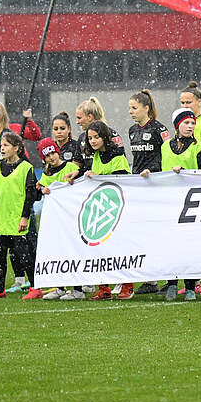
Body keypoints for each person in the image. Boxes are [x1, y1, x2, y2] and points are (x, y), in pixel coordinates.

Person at [137, 109, 201, 300]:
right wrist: (148, 171)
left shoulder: (199, 148)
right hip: (169, 203)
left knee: (188, 246)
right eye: (186, 123)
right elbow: (158, 165)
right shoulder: (165, 146)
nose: (190, 127)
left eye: (193, 123)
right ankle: (171, 283)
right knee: (170, 245)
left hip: (190, 204)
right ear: (177, 126)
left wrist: (186, 171)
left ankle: (189, 286)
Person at [73, 120, 132, 300]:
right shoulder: (97, 156)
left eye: (96, 137)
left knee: (120, 249)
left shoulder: (117, 155)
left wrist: (99, 177)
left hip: (118, 208)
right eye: (90, 138)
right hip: (103, 208)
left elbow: (122, 179)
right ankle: (104, 288)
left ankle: (128, 286)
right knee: (99, 248)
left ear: (105, 137)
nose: (92, 141)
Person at [0, 132, 40, 300]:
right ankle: (0, 289)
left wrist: (24, 217)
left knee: (24, 254)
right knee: (1, 255)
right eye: (1, 146)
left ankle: (35, 287)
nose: (2, 148)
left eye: (6, 145)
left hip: (16, 219)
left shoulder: (26, 168)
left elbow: (30, 195)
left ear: (16, 148)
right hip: (2, 218)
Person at [37, 137, 83, 301]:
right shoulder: (46, 173)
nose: (51, 157)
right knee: (58, 251)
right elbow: (40, 188)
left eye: (52, 153)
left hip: (71, 217)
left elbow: (80, 185)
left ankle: (78, 288)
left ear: (57, 151)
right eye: (47, 156)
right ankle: (60, 287)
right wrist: (42, 189)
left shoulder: (70, 167)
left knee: (73, 251)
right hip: (56, 220)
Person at [127, 90, 168, 178]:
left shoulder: (158, 129)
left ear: (146, 108)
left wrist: (152, 170)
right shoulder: (132, 130)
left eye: (134, 108)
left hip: (155, 178)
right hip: (137, 178)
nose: (130, 111)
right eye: (129, 108)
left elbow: (168, 155)